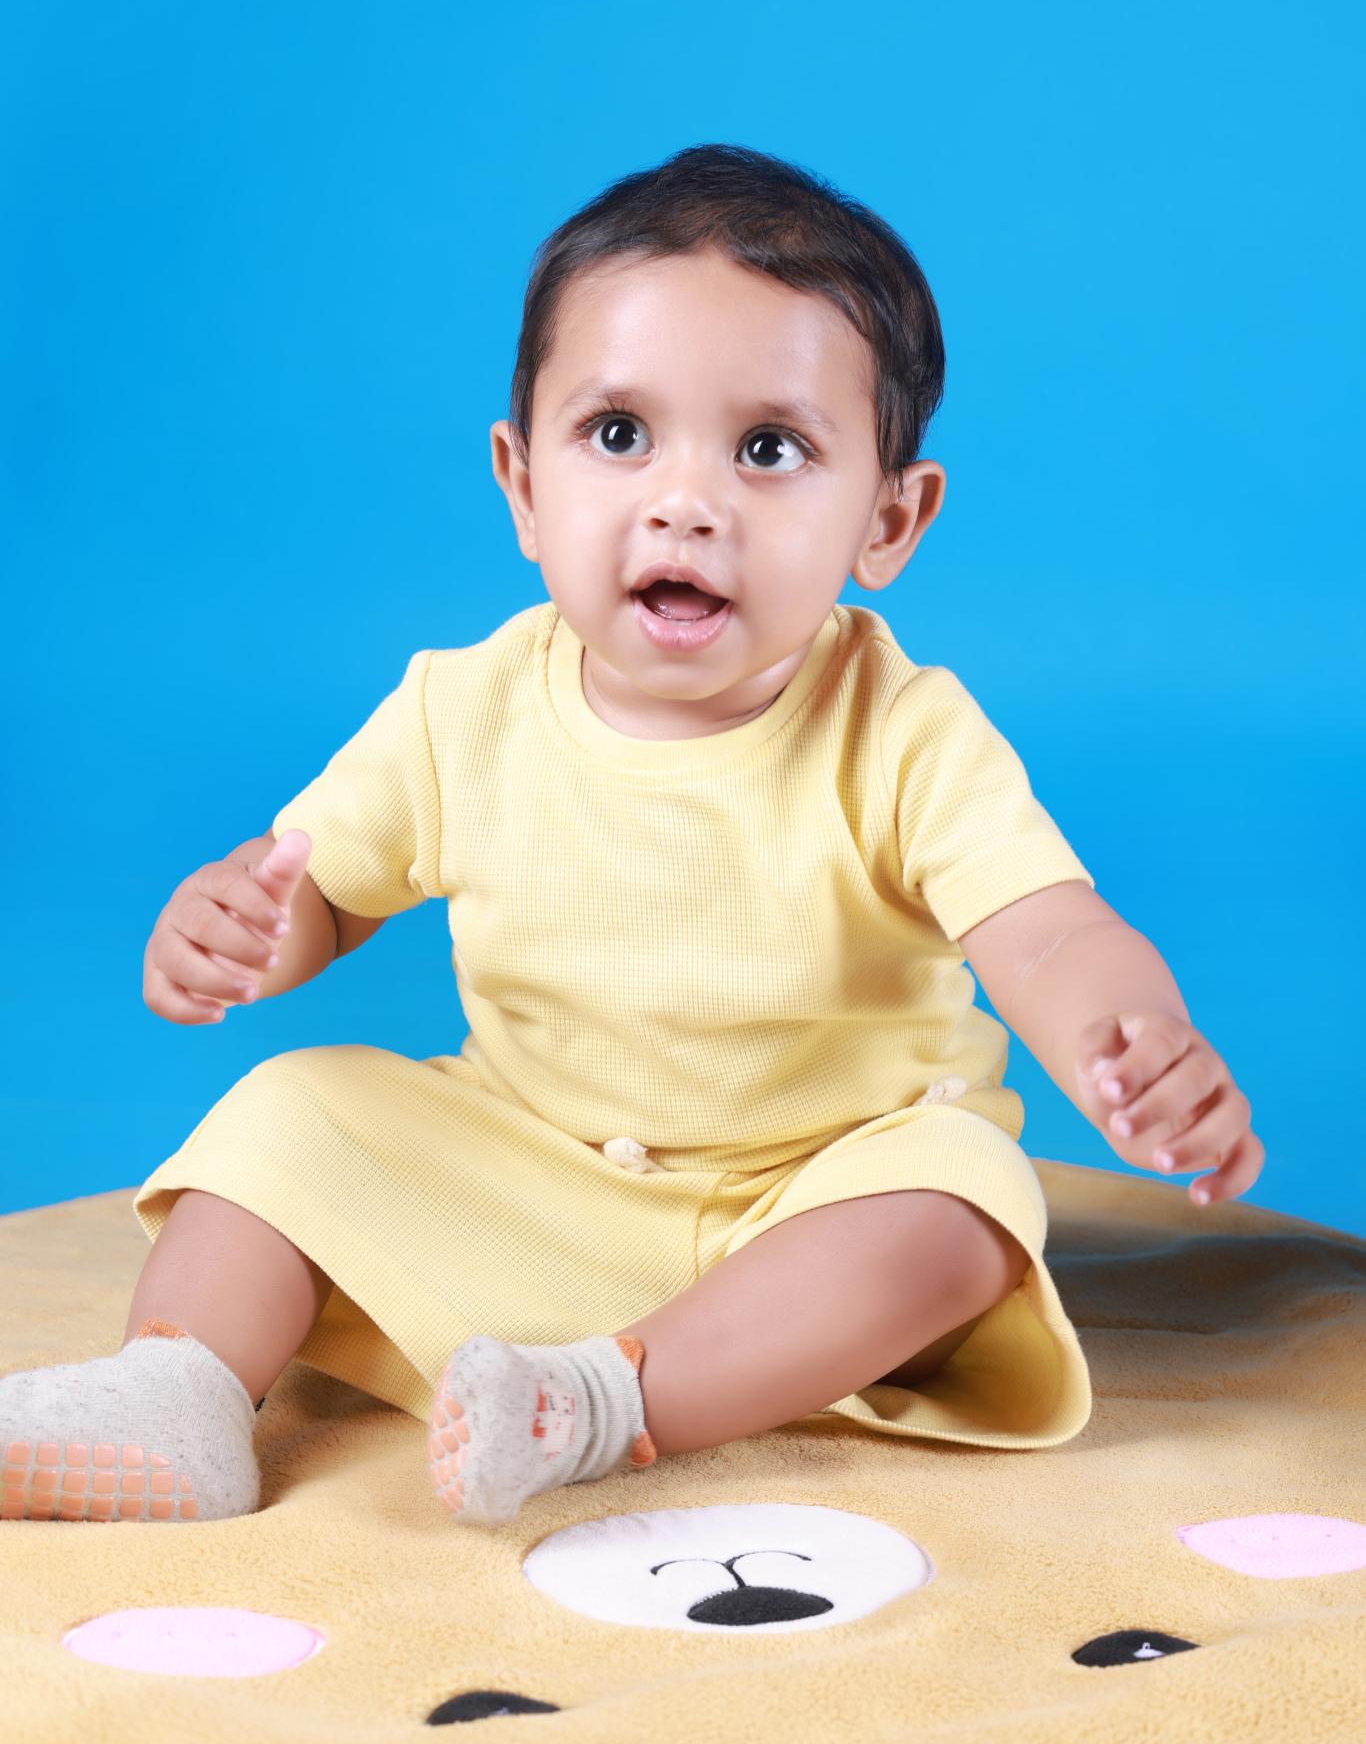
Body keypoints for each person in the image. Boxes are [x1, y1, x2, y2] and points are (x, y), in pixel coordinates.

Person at [1, 143, 1264, 1528]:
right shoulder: (460, 709)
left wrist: (1129, 1042)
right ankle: (175, 1394)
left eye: (769, 450)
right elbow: (323, 891)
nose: (684, 501)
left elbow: (1048, 932)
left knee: (960, 1203)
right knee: (290, 1110)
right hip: (529, 1166)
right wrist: (242, 926)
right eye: (617, 435)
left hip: (812, 1202)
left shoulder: (901, 732)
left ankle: (600, 1401)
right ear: (522, 484)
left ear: (887, 519)